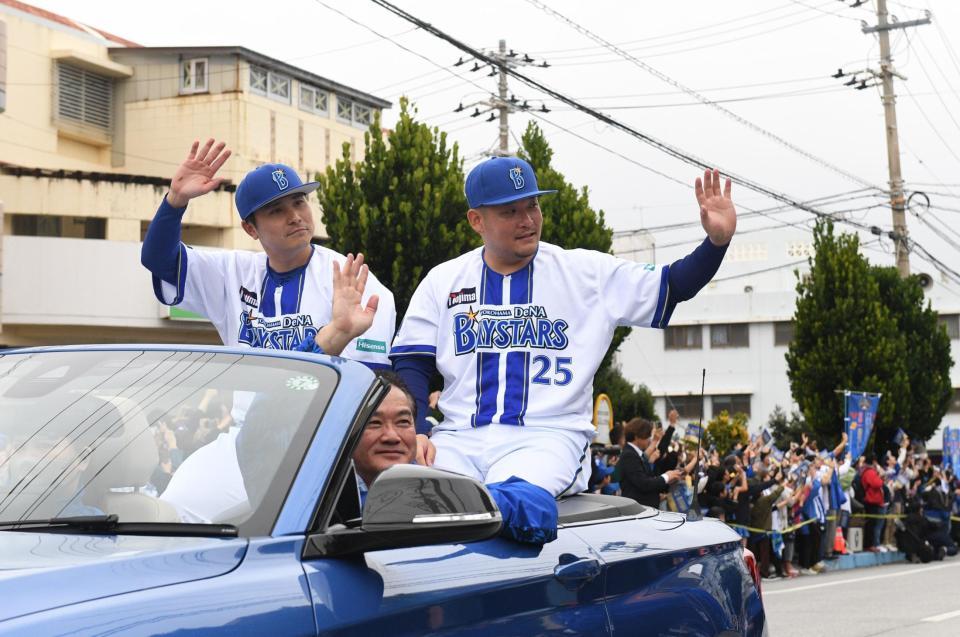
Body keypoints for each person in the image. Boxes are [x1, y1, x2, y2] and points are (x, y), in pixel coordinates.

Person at [392, 156, 736, 543]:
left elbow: (674, 283)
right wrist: (417, 429)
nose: (528, 219)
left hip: (546, 437)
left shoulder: (583, 272)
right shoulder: (444, 279)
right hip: (458, 437)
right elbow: (412, 363)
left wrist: (716, 243)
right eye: (511, 211)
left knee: (509, 506)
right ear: (477, 221)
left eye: (533, 205)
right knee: (405, 504)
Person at [140, 139, 395, 368]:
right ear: (251, 228)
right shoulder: (232, 271)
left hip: (327, 420)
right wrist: (175, 200)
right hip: (249, 421)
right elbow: (159, 260)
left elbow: (365, 376)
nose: (295, 217)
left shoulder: (350, 279)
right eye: (276, 210)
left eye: (299, 202)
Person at [353, 372, 418, 490]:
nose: (391, 437)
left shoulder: (441, 494)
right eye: (374, 422)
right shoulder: (316, 496)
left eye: (403, 421)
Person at [612, 418, 683, 508]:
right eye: (647, 436)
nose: (649, 439)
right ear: (637, 436)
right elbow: (644, 483)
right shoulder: (629, 455)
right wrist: (666, 477)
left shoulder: (634, 453)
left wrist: (667, 480)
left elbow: (647, 479)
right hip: (638, 512)